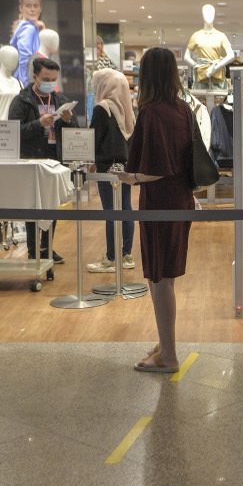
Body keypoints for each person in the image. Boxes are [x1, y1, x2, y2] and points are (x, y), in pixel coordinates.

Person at [112, 48, 194, 373]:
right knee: (167, 276)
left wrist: (128, 177)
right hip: (181, 200)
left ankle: (169, 354)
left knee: (160, 279)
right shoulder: (183, 109)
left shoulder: (151, 112)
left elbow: (156, 169)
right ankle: (166, 344)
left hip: (159, 201)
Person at [8, 57, 76, 264]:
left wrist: (68, 121)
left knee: (51, 204)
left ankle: (47, 248)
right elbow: (13, 132)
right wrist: (38, 123)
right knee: (31, 205)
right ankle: (32, 249)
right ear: (35, 77)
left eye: (54, 79)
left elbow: (74, 132)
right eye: (46, 79)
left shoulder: (59, 99)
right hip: (30, 159)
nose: (50, 83)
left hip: (54, 159)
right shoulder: (21, 101)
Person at [87, 68, 136, 273]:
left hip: (106, 167)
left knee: (110, 211)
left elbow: (93, 139)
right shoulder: (127, 108)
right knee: (125, 209)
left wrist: (91, 161)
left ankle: (111, 258)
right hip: (124, 167)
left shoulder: (102, 108)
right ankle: (126, 255)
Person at [10, 0, 45, 86]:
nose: (32, 9)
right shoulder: (28, 28)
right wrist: (28, 88)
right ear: (21, 8)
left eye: (36, 6)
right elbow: (25, 60)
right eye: (28, 6)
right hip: (29, 82)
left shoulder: (27, 27)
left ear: (40, 8)